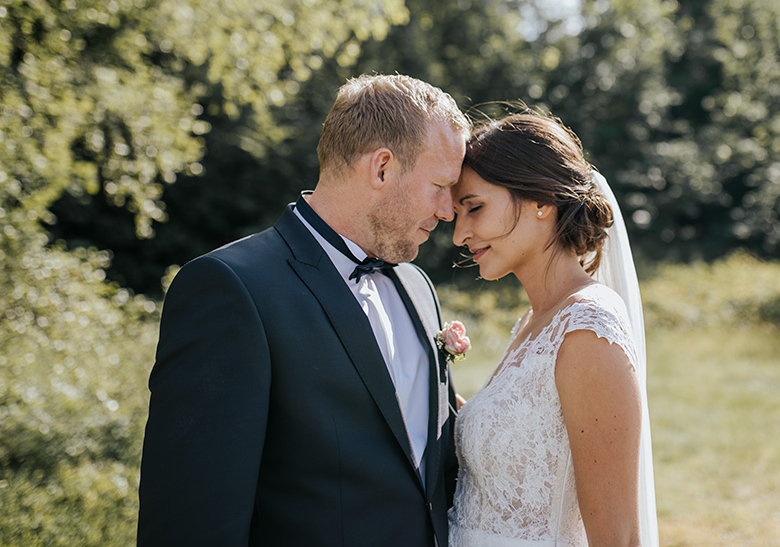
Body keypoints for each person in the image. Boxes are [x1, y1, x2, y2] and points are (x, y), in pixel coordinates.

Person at [137, 74, 469, 547]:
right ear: (381, 168)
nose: (448, 211)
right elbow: (192, 520)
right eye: (440, 185)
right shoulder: (231, 289)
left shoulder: (418, 287)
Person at [448, 113, 659, 547]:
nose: (459, 234)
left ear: (542, 200)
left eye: (474, 208)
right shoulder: (533, 322)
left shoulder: (587, 330)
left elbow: (617, 538)